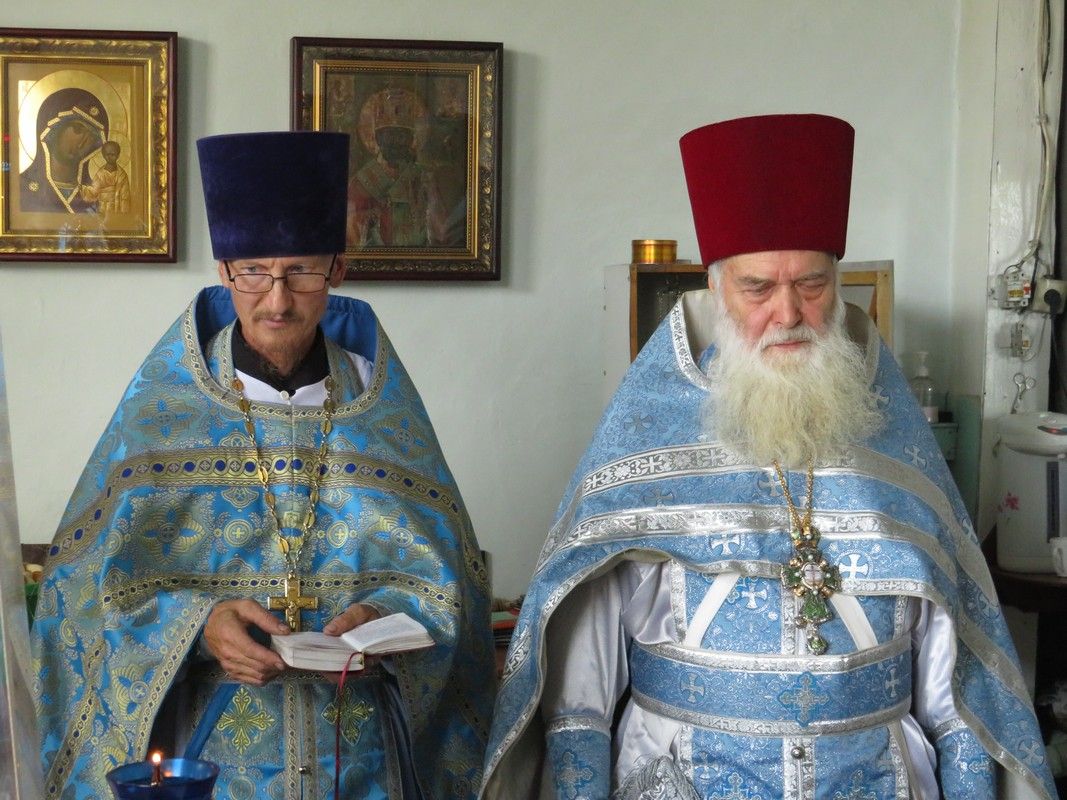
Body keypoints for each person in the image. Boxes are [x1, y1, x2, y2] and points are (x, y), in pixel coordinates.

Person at [479, 114, 1056, 799]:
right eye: (757, 287)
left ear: (837, 284)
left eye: (811, 285)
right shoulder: (646, 440)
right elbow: (578, 704)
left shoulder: (893, 444)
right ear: (717, 291)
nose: (787, 313)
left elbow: (961, 693)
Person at [31, 131, 494, 799]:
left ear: (337, 271)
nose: (277, 300)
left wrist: (382, 619)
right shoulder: (163, 413)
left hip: (359, 760)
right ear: (224, 272)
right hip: (211, 759)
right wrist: (199, 626)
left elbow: (450, 584)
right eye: (254, 272)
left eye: (301, 272)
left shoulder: (381, 409)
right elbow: (84, 592)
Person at [348, 87, 448, 247]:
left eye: (402, 136)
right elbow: (351, 233)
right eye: (389, 135)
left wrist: (430, 198)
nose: (396, 142)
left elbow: (440, 230)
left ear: (411, 140)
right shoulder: (362, 181)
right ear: (378, 139)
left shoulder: (424, 177)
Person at [19, 86, 108, 213]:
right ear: (53, 130)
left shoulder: (96, 198)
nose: (83, 142)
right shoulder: (20, 188)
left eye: (92, 137)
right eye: (77, 129)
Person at [81, 140, 131, 214]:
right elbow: (94, 191)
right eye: (107, 154)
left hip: (117, 209)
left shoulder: (122, 175)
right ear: (103, 155)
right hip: (102, 209)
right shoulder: (100, 174)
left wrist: (124, 212)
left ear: (118, 155)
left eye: (112, 154)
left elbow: (125, 196)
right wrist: (84, 189)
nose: (110, 157)